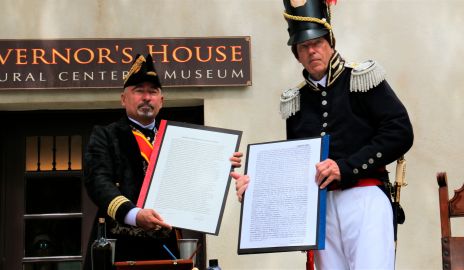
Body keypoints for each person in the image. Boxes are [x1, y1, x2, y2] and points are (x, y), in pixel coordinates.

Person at [231, 1, 414, 269]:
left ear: (331, 43)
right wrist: (256, 189)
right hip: (320, 210)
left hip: (364, 199)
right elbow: (295, 168)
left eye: (317, 42)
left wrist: (347, 166)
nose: (312, 50)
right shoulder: (296, 100)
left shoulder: (362, 78)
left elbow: (400, 132)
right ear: (296, 54)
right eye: (304, 46)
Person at [83, 53, 241, 269]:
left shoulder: (177, 139)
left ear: (161, 100)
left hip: (166, 248)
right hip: (119, 247)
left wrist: (220, 165)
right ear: (123, 98)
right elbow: (97, 182)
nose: (147, 97)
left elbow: (195, 183)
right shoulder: (105, 136)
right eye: (139, 91)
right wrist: (134, 215)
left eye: (153, 92)